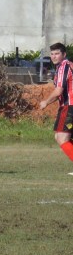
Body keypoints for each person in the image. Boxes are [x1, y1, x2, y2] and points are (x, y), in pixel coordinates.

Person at [38, 43, 73, 171]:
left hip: (69, 106)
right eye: (52, 54)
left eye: (57, 53)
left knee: (61, 138)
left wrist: (46, 102)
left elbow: (58, 91)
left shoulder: (64, 67)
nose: (54, 56)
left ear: (64, 54)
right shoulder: (69, 66)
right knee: (62, 137)